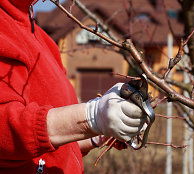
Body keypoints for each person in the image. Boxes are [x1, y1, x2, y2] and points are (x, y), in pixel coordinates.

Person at [0, 0, 146, 173]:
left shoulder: (40, 37)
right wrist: (94, 115)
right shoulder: (4, 29)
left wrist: (99, 132)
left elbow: (55, 145)